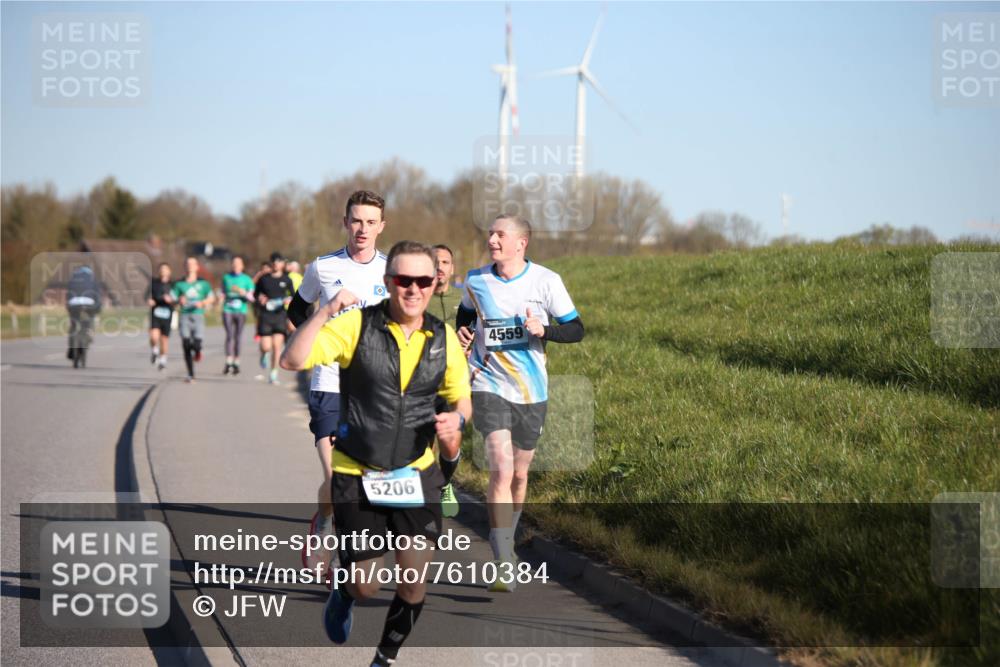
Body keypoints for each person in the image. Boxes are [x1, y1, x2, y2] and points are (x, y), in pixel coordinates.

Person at [281, 240, 471, 667]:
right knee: (367, 586)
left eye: (423, 281)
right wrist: (326, 311)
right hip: (358, 472)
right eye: (404, 280)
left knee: (413, 581)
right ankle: (345, 593)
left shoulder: (443, 341)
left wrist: (455, 422)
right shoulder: (356, 327)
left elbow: (461, 399)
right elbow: (292, 359)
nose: (413, 289)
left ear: (434, 284)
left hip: (416, 473)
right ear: (388, 283)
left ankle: (384, 659)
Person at [456, 215, 584, 592]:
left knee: (519, 475)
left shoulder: (546, 281)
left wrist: (544, 330)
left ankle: (507, 540)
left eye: (500, 234)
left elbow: (577, 329)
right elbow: (464, 317)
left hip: (531, 390)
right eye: (491, 233)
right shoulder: (476, 279)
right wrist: (463, 332)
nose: (492, 239)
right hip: (487, 382)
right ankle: (502, 559)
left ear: (521, 242)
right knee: (500, 468)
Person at [287, 189, 389, 570]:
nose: (362, 229)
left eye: (370, 222)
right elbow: (298, 309)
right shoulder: (323, 267)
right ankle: (326, 523)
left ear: (381, 226)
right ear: (345, 222)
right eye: (356, 220)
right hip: (329, 384)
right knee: (335, 477)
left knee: (362, 479)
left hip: (375, 390)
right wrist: (316, 341)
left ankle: (343, 544)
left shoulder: (392, 270)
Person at [430, 244, 462, 518]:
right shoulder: (417, 297)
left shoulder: (464, 301)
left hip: (452, 383)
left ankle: (446, 483)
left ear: (453, 269)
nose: (439, 266)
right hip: (420, 384)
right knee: (423, 446)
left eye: (445, 262)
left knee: (450, 442)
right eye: (434, 261)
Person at [170, 257, 215, 383]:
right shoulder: (179, 284)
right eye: (187, 264)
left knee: (196, 344)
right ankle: (191, 374)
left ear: (197, 267)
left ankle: (198, 351)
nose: (190, 266)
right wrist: (179, 300)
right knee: (185, 345)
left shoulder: (203, 283)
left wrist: (203, 302)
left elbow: (211, 298)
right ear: (184, 267)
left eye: (192, 264)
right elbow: (172, 299)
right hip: (184, 316)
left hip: (198, 315)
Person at [254, 252, 293, 384]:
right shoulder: (264, 279)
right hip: (266, 315)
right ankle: (264, 354)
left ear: (282, 264)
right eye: (273, 261)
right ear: (271, 263)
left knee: (277, 346)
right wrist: (260, 298)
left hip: (280, 315)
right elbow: (255, 294)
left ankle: (273, 373)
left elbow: (293, 295)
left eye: (278, 261)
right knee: (266, 346)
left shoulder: (287, 280)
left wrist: (289, 300)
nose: (276, 264)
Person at [221, 255, 255, 375]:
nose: (235, 266)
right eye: (234, 263)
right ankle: (228, 361)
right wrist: (222, 297)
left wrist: (243, 292)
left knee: (238, 336)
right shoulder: (226, 278)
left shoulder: (247, 279)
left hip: (241, 310)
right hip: (228, 309)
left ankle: (237, 361)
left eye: (238, 263)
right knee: (229, 335)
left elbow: (252, 297)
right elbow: (222, 293)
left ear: (242, 266)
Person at [66, 265, 102, 368]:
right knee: (89, 323)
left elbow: (68, 294)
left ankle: (72, 345)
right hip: (89, 305)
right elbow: (97, 295)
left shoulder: (73, 278)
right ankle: (89, 334)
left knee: (73, 325)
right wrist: (98, 308)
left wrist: (68, 307)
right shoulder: (93, 279)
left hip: (74, 305)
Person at [147, 263, 174, 371]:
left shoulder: (173, 284)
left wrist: (172, 300)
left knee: (164, 340)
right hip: (156, 312)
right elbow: (146, 295)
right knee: (154, 336)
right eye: (161, 269)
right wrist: (150, 300)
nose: (163, 271)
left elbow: (177, 297)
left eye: (166, 269)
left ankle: (163, 360)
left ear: (169, 271)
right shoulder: (154, 283)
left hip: (167, 314)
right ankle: (154, 350)